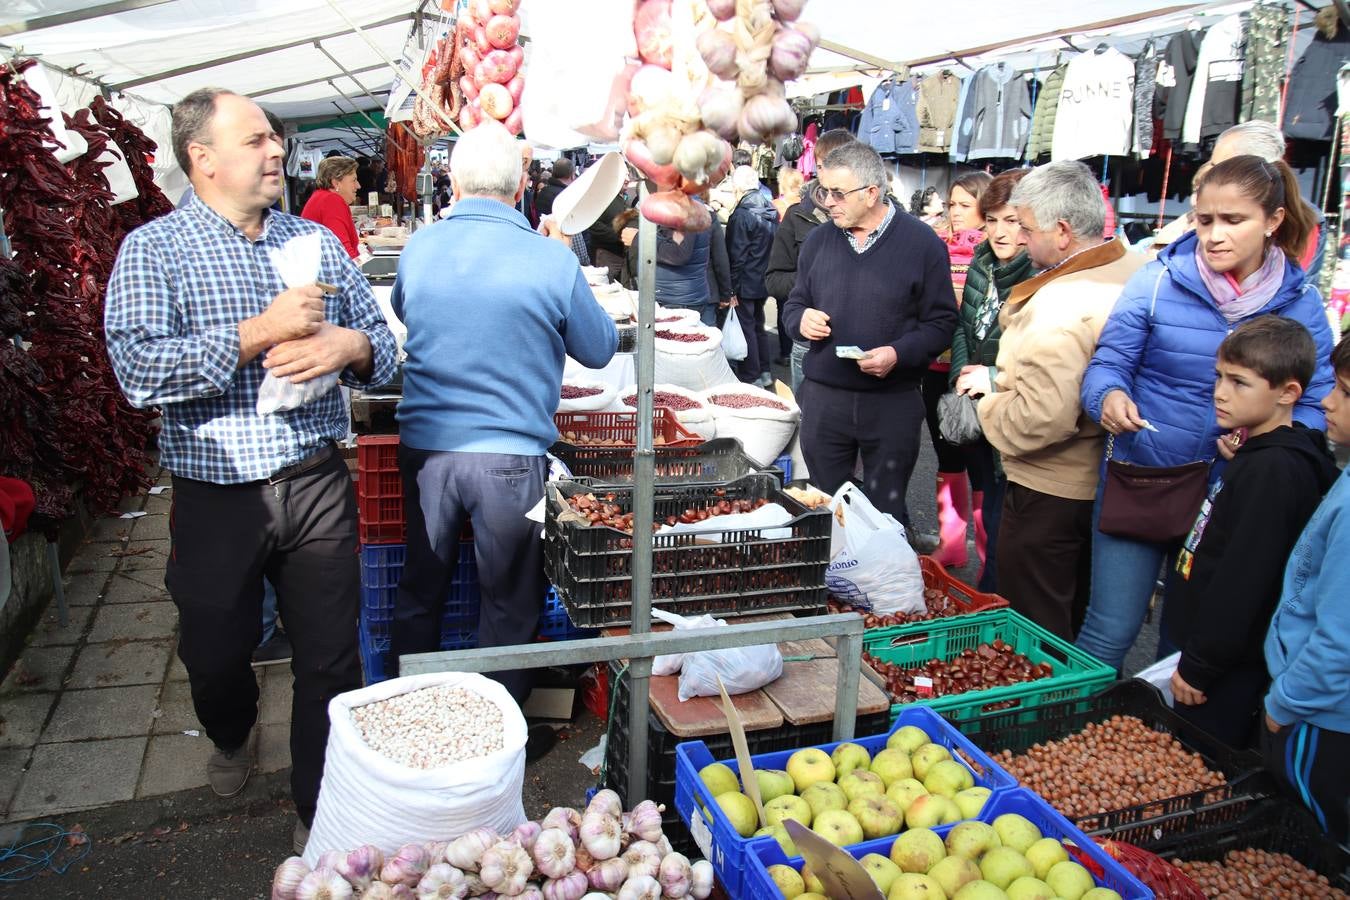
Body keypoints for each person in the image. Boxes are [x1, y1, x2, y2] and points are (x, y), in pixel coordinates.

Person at [103, 88, 397, 854]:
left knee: (330, 655)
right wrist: (256, 332)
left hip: (314, 479)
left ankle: (319, 803)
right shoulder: (154, 250)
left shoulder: (313, 242)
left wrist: (351, 350)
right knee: (215, 650)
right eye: (257, 140)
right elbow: (136, 371)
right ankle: (231, 730)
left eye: (275, 139)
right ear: (202, 159)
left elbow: (386, 349)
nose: (276, 153)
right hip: (216, 495)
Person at [391, 121, 617, 707]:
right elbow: (598, 348)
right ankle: (499, 729)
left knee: (422, 589)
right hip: (510, 459)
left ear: (454, 181)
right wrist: (561, 263)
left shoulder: (420, 246)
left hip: (428, 451)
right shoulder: (549, 259)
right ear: (521, 188)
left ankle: (411, 714)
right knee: (509, 601)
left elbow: (405, 309)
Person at [1077, 155, 1333, 672]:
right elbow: (1109, 362)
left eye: (1233, 220)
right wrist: (1107, 398)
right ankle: (1056, 740)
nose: (1214, 235)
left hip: (1234, 496)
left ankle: (1164, 746)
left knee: (1188, 643)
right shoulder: (1156, 280)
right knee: (1108, 630)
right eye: (1204, 219)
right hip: (1145, 477)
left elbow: (1315, 401)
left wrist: (1269, 441)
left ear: (1274, 222)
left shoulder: (1301, 303)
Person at [977, 161, 1147, 641]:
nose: (1022, 240)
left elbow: (1040, 418)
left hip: (1050, 489)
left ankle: (1038, 713)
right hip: (1106, 483)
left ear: (1064, 232)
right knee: (1076, 611)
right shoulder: (1137, 269)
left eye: (1027, 229)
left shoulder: (1062, 302)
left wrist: (988, 405)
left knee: (1036, 628)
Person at [1165, 318, 1337, 748]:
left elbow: (1245, 579)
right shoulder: (1259, 451)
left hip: (1226, 668)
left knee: (1204, 761)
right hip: (1208, 649)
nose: (1221, 392)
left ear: (1288, 392)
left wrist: (1201, 664)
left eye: (1240, 382)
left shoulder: (1273, 471)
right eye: (1220, 377)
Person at [782, 141, 958, 528]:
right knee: (828, 510)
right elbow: (794, 304)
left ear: (872, 193)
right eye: (823, 191)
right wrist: (801, 320)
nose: (828, 202)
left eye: (838, 193)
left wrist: (898, 353)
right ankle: (831, 587)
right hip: (825, 399)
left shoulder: (922, 244)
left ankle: (881, 585)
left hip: (891, 402)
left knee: (883, 516)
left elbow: (942, 323)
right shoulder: (817, 241)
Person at [1260, 337, 1350, 844]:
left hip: (1319, 715)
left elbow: (1339, 641)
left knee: (1314, 839)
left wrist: (1285, 704)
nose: (1328, 402)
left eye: (1345, 391)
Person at [949, 169, 1034, 593]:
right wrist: (961, 376)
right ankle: (986, 583)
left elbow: (1045, 363)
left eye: (1013, 220)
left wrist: (994, 378)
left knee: (1003, 514)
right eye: (994, 219)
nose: (1001, 231)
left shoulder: (1038, 273)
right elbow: (964, 328)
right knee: (986, 500)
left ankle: (992, 595)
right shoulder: (982, 260)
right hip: (977, 403)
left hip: (1013, 410)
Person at [1150, 121, 1326, 284]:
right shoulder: (1204, 209)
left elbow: (1292, 290)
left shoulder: (1302, 221)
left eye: (1220, 166)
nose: (1212, 173)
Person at [926, 171, 992, 569]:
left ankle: (986, 552)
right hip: (936, 368)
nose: (955, 212)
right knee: (946, 452)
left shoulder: (997, 253)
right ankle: (950, 543)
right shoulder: (936, 246)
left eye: (965, 204)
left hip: (978, 373)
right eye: (952, 204)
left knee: (983, 464)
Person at [765, 128, 857, 393]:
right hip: (809, 341)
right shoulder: (798, 215)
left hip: (861, 342)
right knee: (809, 422)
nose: (826, 173)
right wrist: (813, 282)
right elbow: (774, 279)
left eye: (836, 164)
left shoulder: (877, 213)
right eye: (820, 165)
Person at [726, 165, 779, 387]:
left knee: (748, 326)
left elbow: (737, 256)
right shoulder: (770, 210)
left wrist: (731, 289)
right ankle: (764, 371)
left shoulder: (742, 215)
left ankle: (752, 375)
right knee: (758, 325)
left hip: (746, 280)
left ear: (738, 186)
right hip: (763, 278)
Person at [301, 155, 362, 259]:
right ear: (336, 183)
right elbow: (343, 250)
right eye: (354, 180)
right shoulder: (331, 201)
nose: (358, 186)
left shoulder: (322, 197)